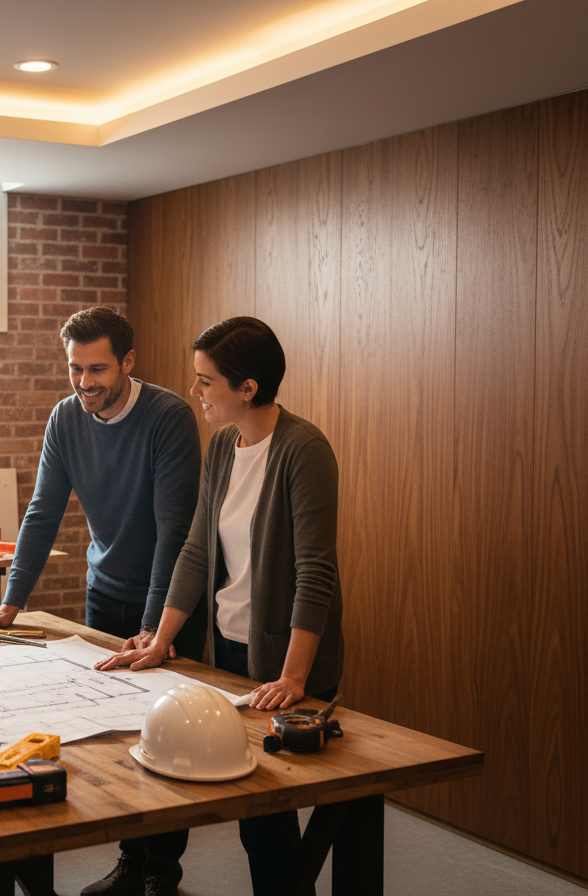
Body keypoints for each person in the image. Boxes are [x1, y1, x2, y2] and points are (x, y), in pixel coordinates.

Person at [0, 305, 205, 896]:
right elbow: (41, 513)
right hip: (104, 594)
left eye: (97, 369)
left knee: (168, 741)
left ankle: (162, 874)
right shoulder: (66, 418)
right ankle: (130, 863)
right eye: (75, 369)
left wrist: (151, 630)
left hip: (166, 607)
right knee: (116, 739)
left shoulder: (168, 417)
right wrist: (12, 602)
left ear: (128, 362)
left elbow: (175, 531)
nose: (85, 383)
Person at [96, 316, 344, 896]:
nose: (196, 391)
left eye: (206, 381)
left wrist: (293, 675)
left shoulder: (304, 450)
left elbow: (316, 573)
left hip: (286, 658)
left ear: (248, 387)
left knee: (267, 821)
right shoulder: (224, 448)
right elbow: (196, 549)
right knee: (247, 810)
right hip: (230, 646)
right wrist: (161, 639)